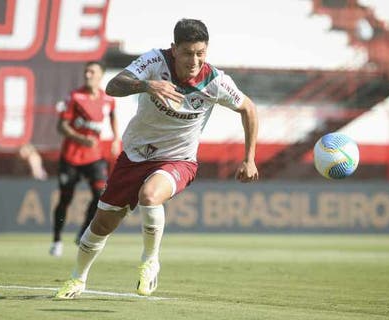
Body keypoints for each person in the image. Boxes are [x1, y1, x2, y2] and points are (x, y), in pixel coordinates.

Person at [55, 19, 258, 298]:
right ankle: (78, 279)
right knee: (101, 225)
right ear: (174, 49)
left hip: (178, 159)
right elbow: (114, 85)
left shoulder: (216, 81)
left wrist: (250, 159)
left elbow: (248, 108)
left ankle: (150, 260)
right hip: (135, 155)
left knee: (150, 196)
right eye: (188, 53)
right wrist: (148, 86)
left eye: (201, 53)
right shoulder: (154, 61)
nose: (195, 60)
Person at [49, 61, 121, 257]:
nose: (88, 74)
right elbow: (61, 127)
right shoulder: (74, 97)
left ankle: (82, 232)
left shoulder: (108, 100)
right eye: (86, 71)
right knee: (66, 199)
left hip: (94, 157)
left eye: (92, 71)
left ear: (101, 76)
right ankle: (56, 240)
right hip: (71, 157)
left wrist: (116, 138)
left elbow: (113, 116)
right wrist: (81, 138)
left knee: (100, 194)